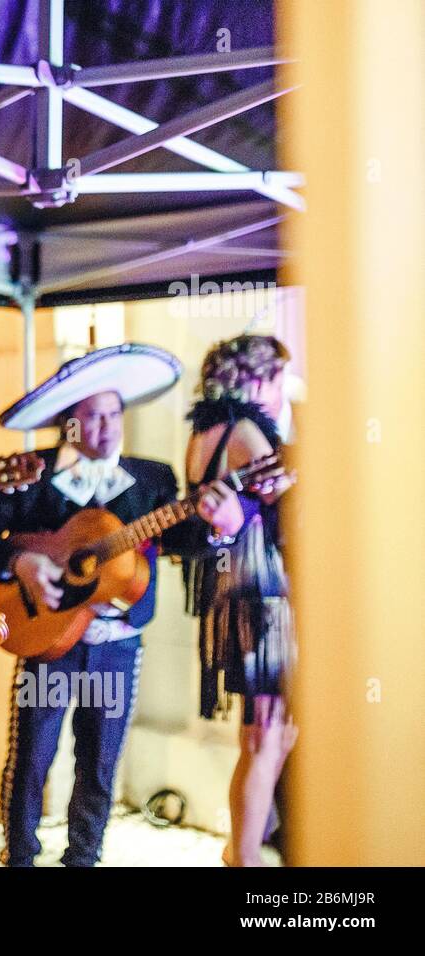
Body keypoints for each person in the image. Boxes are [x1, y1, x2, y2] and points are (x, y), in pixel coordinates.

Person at [0, 343, 238, 867]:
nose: (107, 426)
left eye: (114, 413)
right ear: (69, 424)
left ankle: (83, 858)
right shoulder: (33, 471)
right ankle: (18, 856)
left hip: (116, 643)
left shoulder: (152, 479)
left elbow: (180, 542)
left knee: (100, 762)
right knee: (32, 759)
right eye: (92, 416)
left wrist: (220, 531)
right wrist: (18, 560)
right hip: (47, 640)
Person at [182, 333, 297, 867]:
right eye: (275, 379)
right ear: (255, 380)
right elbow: (284, 506)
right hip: (260, 594)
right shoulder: (248, 432)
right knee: (262, 735)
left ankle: (249, 843)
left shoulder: (206, 430)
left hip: (234, 591)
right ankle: (244, 858)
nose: (281, 392)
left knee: (273, 731)